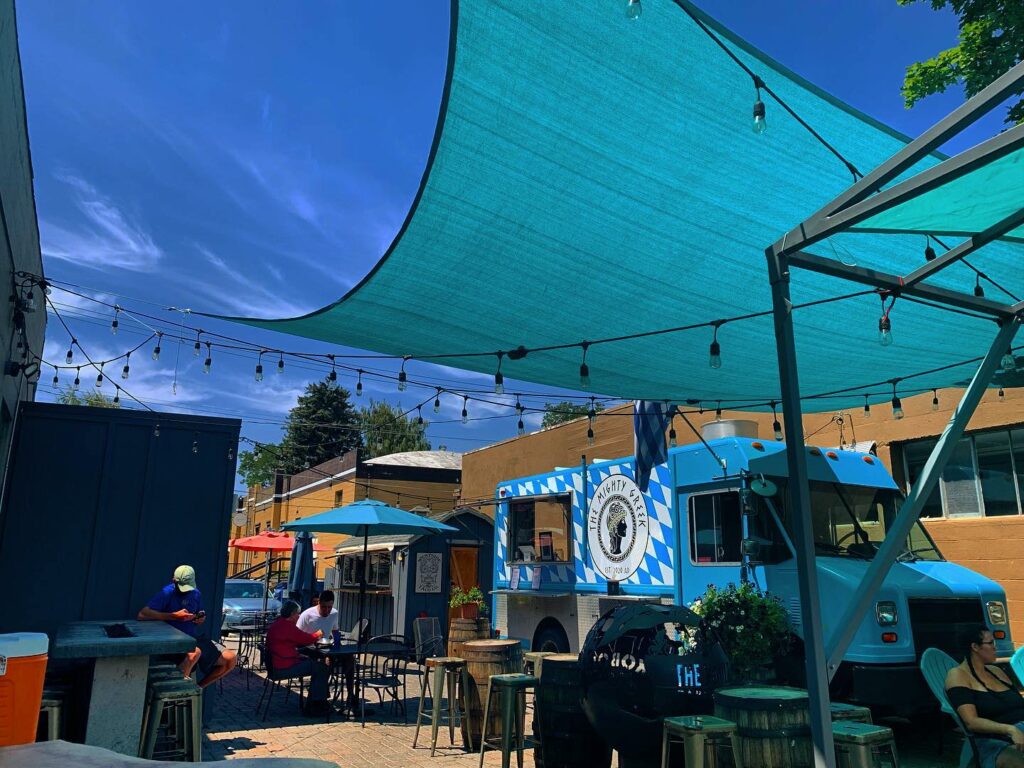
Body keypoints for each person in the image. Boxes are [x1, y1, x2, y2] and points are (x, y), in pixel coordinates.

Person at [138, 564, 237, 688]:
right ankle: (176, 692)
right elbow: (142, 614)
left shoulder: (195, 594)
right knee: (194, 653)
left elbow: (199, 613)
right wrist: (173, 616)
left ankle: (197, 689)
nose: (186, 591)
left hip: (192, 636)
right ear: (174, 581)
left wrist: (200, 618)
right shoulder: (167, 593)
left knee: (230, 659)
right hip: (172, 640)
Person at [945, 625, 1024, 767]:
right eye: (991, 643)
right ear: (975, 647)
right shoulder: (958, 675)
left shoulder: (997, 671)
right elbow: (971, 722)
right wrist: (1010, 730)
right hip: (993, 740)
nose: (995, 647)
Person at [266, 600, 330, 715]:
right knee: (321, 667)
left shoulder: (278, 624)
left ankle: (320, 698)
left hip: (276, 664)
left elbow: (295, 640)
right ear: (292, 614)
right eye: (297, 613)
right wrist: (319, 633)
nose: (299, 616)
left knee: (314, 663)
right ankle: (316, 705)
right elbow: (307, 639)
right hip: (284, 667)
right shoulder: (288, 627)